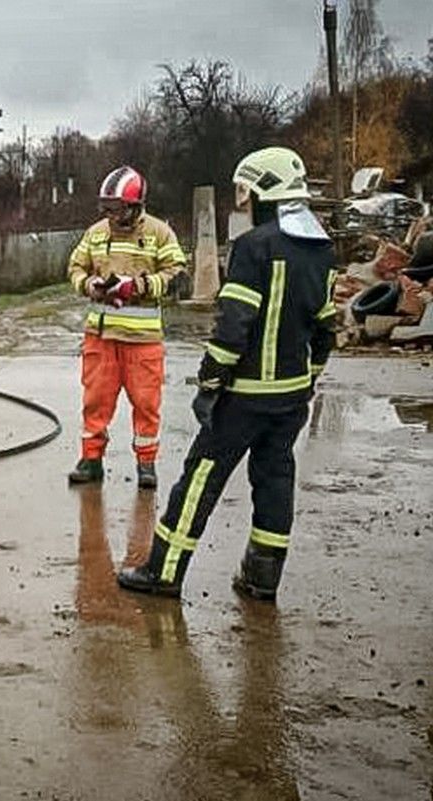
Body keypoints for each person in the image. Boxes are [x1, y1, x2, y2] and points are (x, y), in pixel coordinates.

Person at [118, 146, 337, 602]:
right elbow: (325, 331)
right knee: (275, 480)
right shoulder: (321, 249)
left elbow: (234, 326)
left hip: (244, 395)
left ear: (266, 192)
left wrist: (210, 383)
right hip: (292, 398)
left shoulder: (254, 247)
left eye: (247, 191)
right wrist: (307, 379)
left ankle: (163, 572)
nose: (245, 200)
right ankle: (261, 578)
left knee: (200, 478)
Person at [66, 166, 187, 488]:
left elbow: (177, 274)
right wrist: (89, 284)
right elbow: (75, 267)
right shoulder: (96, 233)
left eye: (115, 208)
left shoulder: (159, 234)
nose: (109, 215)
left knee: (147, 404)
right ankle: (91, 460)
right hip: (101, 337)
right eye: (105, 208)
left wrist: (140, 286)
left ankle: (146, 464)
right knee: (95, 402)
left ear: (134, 206)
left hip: (143, 341)